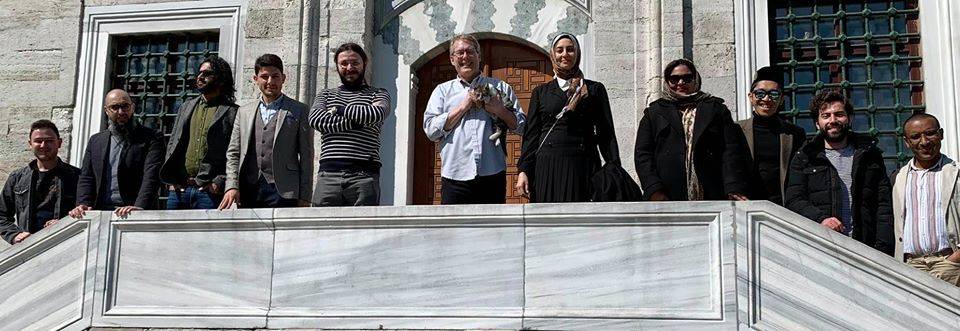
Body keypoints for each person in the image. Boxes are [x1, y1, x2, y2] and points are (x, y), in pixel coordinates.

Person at [784, 89, 894, 255]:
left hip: (865, 247)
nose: (833, 120)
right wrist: (821, 219)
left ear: (849, 119)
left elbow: (883, 205)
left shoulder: (870, 155)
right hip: (821, 247)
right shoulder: (805, 157)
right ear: (817, 123)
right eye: (826, 115)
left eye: (839, 114)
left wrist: (883, 249)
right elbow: (794, 200)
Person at [423, 34, 526, 204]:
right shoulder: (441, 91)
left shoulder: (500, 87)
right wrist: (464, 106)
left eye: (470, 52)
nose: (465, 57)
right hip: (455, 176)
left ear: (479, 56)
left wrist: (500, 110)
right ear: (452, 59)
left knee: (494, 230)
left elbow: (522, 126)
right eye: (460, 53)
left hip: (492, 173)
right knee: (454, 230)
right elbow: (431, 131)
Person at [515, 33, 618, 202]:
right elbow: (531, 135)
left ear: (577, 53)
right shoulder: (541, 92)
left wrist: (614, 167)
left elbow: (606, 132)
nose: (565, 54)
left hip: (583, 164)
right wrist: (523, 170)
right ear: (552, 55)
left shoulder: (594, 89)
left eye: (570, 49)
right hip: (547, 166)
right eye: (559, 50)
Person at [634, 58, 750, 201]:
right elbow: (643, 154)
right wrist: (654, 189)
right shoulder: (654, 113)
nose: (681, 83)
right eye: (674, 79)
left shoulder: (715, 109)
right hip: (667, 195)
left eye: (687, 78)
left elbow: (730, 150)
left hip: (711, 191)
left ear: (695, 79)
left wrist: (733, 187)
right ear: (667, 82)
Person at [219, 54, 313, 209]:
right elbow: (233, 152)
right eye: (264, 76)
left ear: (283, 78)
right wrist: (231, 186)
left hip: (285, 190)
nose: (270, 81)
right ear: (256, 79)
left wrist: (305, 196)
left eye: (275, 76)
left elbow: (307, 157)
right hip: (248, 188)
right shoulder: (243, 112)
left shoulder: (300, 110)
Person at [309, 43, 390, 206]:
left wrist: (338, 109)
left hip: (364, 175)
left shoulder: (379, 93)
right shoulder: (325, 95)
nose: (349, 67)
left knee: (364, 228)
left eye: (355, 62)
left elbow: (376, 114)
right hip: (328, 175)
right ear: (337, 66)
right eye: (344, 63)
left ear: (364, 63)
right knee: (321, 228)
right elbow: (316, 120)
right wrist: (359, 122)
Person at [159, 55, 239, 209]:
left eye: (207, 74)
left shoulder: (232, 112)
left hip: (209, 193)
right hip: (179, 190)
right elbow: (173, 143)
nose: (200, 77)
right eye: (199, 73)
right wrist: (172, 179)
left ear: (221, 79)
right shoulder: (186, 107)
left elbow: (237, 151)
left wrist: (220, 181)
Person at [69, 89, 164, 219]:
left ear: (133, 107)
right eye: (115, 107)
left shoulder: (152, 138)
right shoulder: (96, 141)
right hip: (99, 213)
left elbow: (152, 176)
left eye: (125, 106)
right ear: (106, 110)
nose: (121, 112)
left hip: (133, 212)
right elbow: (87, 177)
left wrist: (140, 207)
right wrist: (83, 204)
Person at [891, 113, 959, 285]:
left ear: (941, 134)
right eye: (915, 136)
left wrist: (955, 260)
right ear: (907, 142)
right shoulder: (898, 178)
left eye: (930, 133)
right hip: (910, 266)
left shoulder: (956, 174)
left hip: (949, 262)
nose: (924, 142)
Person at [0, 120, 80, 244]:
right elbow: (1, 215)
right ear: (30, 144)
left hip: (65, 244)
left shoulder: (77, 176)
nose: (43, 145)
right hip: (28, 247)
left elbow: (88, 210)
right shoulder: (17, 178)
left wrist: (65, 223)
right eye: (38, 141)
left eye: (49, 141)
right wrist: (15, 235)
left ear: (59, 143)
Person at [737, 66, 806, 205]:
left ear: (781, 99)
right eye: (760, 94)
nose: (767, 99)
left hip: (783, 208)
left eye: (774, 94)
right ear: (751, 97)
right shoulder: (736, 130)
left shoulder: (794, 134)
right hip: (746, 206)